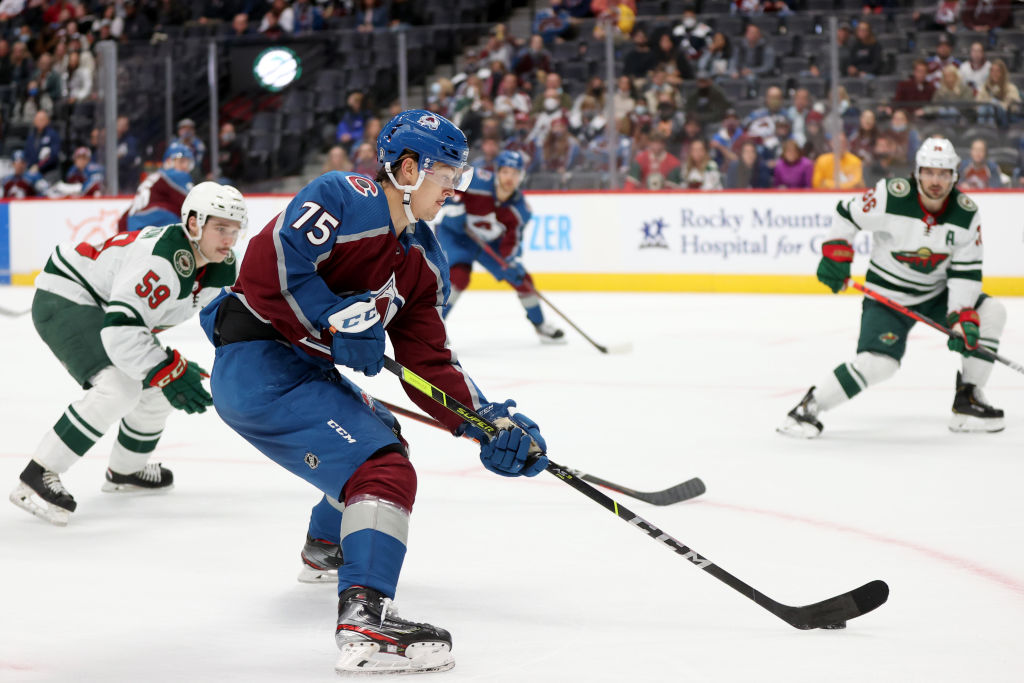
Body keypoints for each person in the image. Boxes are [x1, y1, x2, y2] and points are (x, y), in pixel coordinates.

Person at [197, 110, 550, 675]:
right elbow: (273, 268)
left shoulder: (424, 260)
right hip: (258, 363)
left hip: (304, 374)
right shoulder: (342, 196)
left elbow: (430, 362)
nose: (454, 191)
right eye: (446, 177)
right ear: (407, 169)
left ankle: (326, 547)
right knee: (382, 469)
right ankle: (364, 620)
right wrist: (335, 319)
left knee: (382, 437)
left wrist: (487, 422)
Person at [9, 182, 246, 526]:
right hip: (67, 297)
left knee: (157, 390)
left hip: (105, 311)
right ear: (194, 224)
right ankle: (36, 476)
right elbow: (120, 329)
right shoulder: (162, 260)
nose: (229, 239)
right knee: (119, 387)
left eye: (235, 230)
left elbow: (225, 317)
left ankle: (126, 471)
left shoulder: (220, 262)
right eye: (220, 228)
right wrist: (168, 368)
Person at [778, 138, 1006, 438]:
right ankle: (808, 408)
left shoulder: (966, 214)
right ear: (917, 172)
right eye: (928, 172)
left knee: (991, 312)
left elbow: (966, 272)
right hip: (887, 296)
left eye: (943, 173)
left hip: (936, 294)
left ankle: (968, 399)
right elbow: (847, 213)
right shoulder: (891, 195)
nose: (935, 181)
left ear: (955, 175)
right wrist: (837, 253)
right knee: (879, 364)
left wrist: (961, 318)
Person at [437, 149, 566, 343]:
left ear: (521, 176)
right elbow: (447, 182)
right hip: (457, 235)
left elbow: (512, 242)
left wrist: (511, 262)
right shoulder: (476, 179)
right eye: (505, 172)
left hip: (488, 243)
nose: (509, 178)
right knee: (459, 276)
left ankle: (540, 325)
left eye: (515, 173)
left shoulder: (520, 209)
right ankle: (436, 328)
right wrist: (449, 207)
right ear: (497, 172)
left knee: (523, 280)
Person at [117, 143, 195, 232]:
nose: (185, 166)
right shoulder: (175, 175)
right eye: (181, 161)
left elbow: (123, 220)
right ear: (169, 162)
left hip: (132, 224)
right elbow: (193, 205)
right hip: (150, 224)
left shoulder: (156, 176)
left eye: (187, 162)